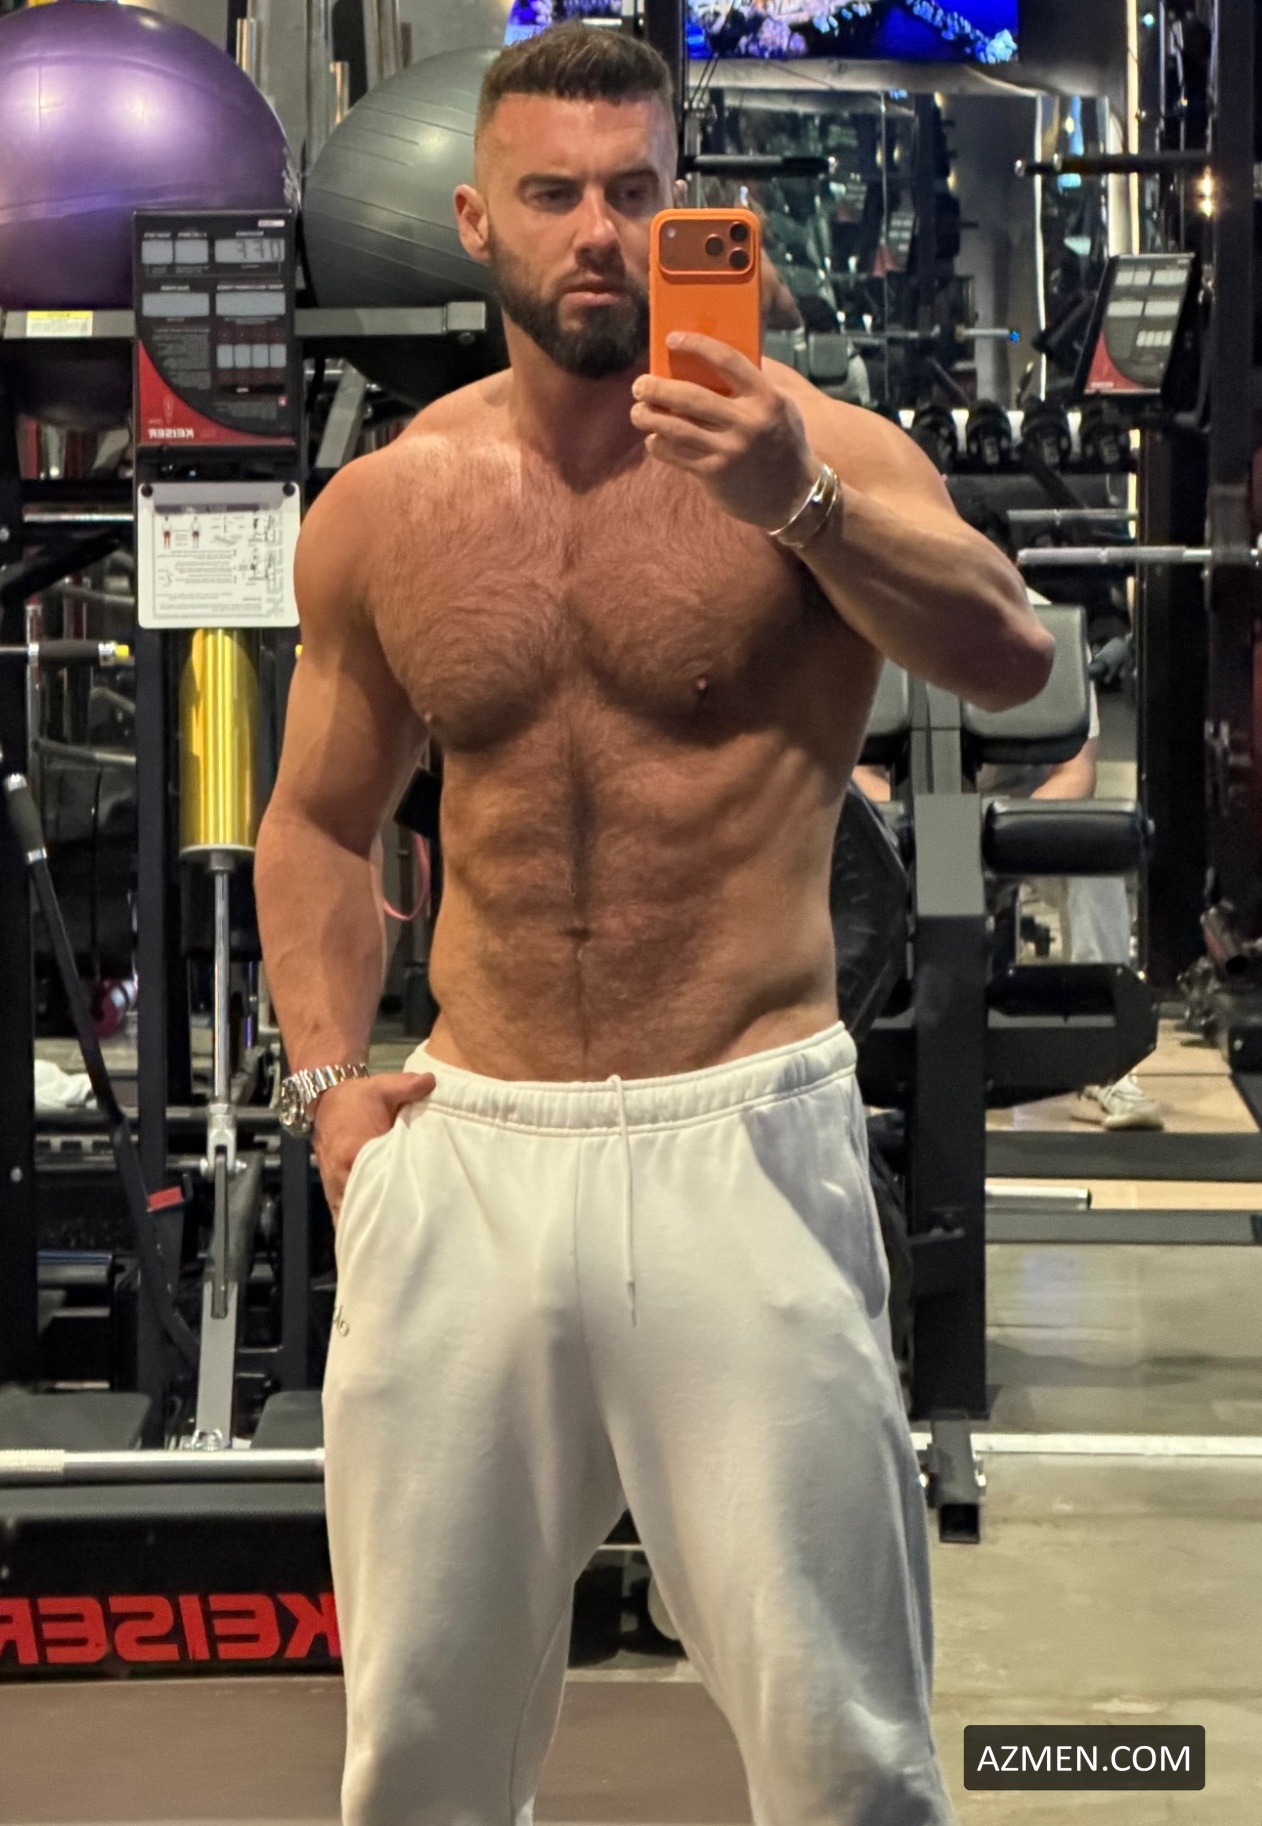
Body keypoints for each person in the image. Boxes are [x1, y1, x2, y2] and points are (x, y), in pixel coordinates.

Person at [254, 26, 1053, 1826]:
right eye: (552, 194)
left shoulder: (818, 453)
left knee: (843, 1751)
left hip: (739, 1138)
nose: (598, 232)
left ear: (686, 203)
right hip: (474, 1148)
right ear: (478, 220)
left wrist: (802, 507)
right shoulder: (388, 505)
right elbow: (313, 822)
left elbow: (1011, 654)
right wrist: (327, 1085)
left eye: (633, 190)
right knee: (416, 1755)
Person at [854, 656, 1162, 1131]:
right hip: (913, 811)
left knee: (1091, 870)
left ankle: (1106, 1072)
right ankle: (848, 1067)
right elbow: (856, 768)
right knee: (846, 857)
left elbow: (1076, 772)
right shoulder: (892, 625)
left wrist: (998, 837)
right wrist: (927, 833)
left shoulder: (1050, 639)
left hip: (1018, 812)